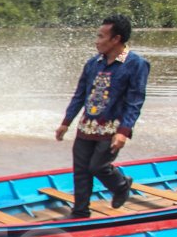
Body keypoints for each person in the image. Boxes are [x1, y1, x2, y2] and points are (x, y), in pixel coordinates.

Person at [56, 14, 150, 218]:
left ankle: (121, 186)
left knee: (98, 166)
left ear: (116, 39)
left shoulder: (136, 64)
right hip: (87, 126)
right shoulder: (93, 63)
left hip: (112, 128)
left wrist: (123, 131)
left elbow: (135, 101)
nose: (96, 41)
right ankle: (80, 212)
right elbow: (80, 95)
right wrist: (66, 122)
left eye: (101, 36)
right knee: (81, 170)